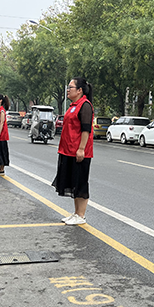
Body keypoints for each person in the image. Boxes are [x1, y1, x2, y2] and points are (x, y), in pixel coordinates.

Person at [52, 77, 94, 226]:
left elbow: (86, 130)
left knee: (80, 183)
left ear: (80, 90)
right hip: (68, 150)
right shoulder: (73, 106)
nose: (68, 90)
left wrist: (81, 149)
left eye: (71, 87)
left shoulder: (85, 106)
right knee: (73, 182)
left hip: (79, 151)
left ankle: (81, 215)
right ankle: (76, 213)